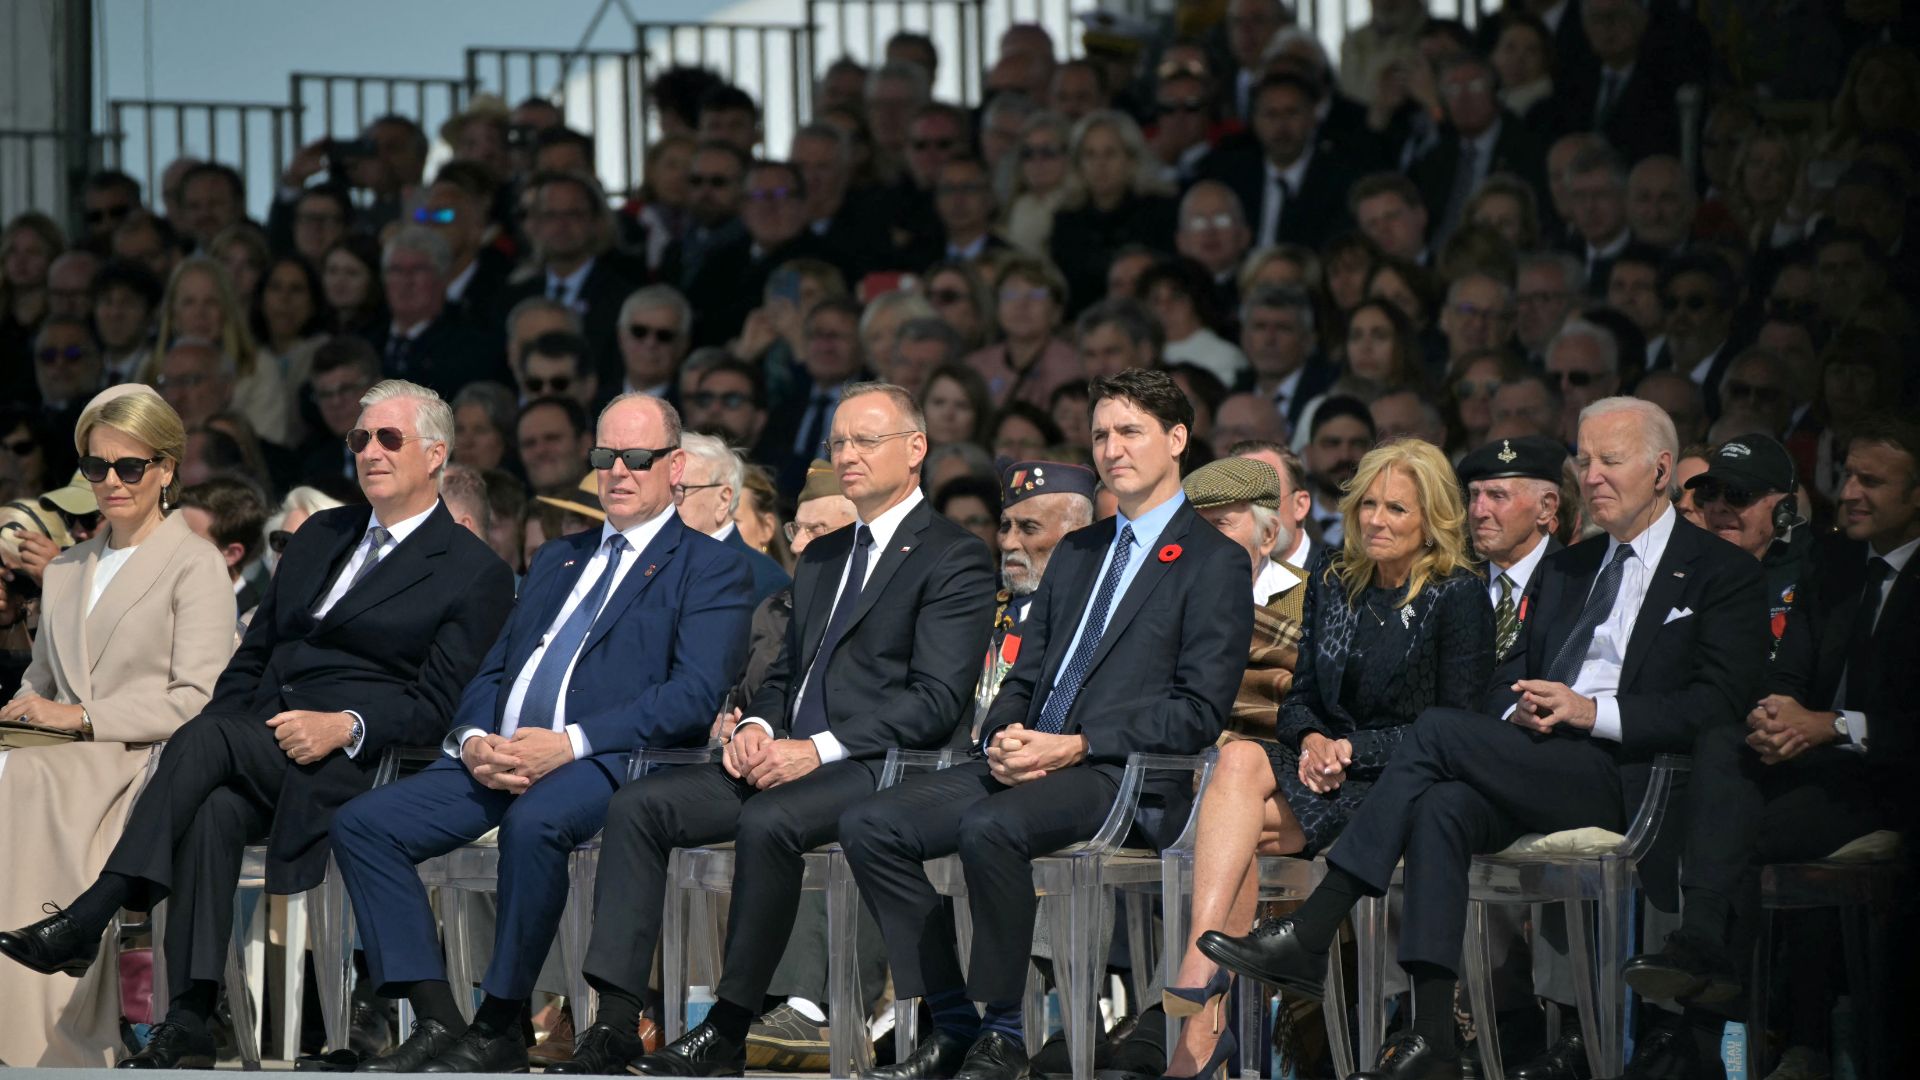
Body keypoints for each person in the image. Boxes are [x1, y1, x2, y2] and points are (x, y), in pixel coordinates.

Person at [1198, 397, 1767, 1080]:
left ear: (1662, 470)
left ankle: (1316, 926)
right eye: (1584, 461)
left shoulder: (1720, 570)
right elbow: (1503, 680)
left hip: (1630, 773)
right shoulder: (1569, 566)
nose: (1592, 477)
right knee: (1440, 807)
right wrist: (1517, 713)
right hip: (1540, 759)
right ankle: (1435, 1034)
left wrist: (1592, 713)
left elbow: (1718, 704)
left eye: (1610, 461)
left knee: (1436, 732)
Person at [0, 380, 516, 1068]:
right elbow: (253, 658)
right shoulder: (321, 537)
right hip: (263, 742)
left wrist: (347, 723)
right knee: (211, 805)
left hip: (357, 760)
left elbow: (443, 701)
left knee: (208, 738)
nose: (370, 451)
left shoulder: (471, 568)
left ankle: (94, 912)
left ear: (435, 454)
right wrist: (239, 728)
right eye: (359, 439)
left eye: (389, 438)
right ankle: (187, 1018)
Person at [567, 382, 995, 1076]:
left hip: (877, 762)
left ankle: (729, 1025)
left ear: (915, 450)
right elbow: (786, 668)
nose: (847, 455)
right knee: (641, 806)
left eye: (866, 441)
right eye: (838, 443)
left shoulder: (953, 555)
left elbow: (937, 702)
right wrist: (761, 725)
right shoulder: (824, 557)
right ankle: (617, 1018)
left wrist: (815, 748)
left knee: (769, 821)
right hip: (786, 756)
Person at [842, 369, 1251, 1080]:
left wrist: (1079, 743)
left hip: (1119, 774)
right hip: (1032, 759)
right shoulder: (1080, 551)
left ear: (1177, 439)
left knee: (990, 829)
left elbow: (1197, 710)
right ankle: (954, 1016)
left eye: (1130, 432)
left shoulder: (1213, 561)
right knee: (870, 826)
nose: (1112, 448)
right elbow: (1024, 677)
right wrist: (1003, 731)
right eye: (1100, 434)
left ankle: (1004, 1031)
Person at [330, 395, 754, 1073]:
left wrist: (570, 742)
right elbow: (497, 666)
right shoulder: (560, 556)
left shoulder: (708, 565)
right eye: (603, 457)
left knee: (534, 825)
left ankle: (501, 1018)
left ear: (675, 467)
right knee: (361, 825)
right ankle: (440, 1018)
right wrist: (472, 739)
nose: (617, 471)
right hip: (500, 757)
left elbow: (692, 695)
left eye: (636, 458)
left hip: (609, 758)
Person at [1160, 443, 1493, 1078]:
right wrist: (1313, 741)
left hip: (1404, 786)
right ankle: (1202, 968)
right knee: (1237, 766)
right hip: (1325, 772)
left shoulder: (1459, 596)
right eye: (1367, 504)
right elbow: (1303, 696)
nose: (1376, 520)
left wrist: (1350, 749)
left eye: (1396, 508)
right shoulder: (1337, 582)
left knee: (1234, 840)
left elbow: (1459, 729)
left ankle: (1202, 1036)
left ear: (1432, 518)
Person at [1619, 416, 1920, 1079]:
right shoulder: (1835, 563)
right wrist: (1775, 716)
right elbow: (1788, 677)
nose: (1850, 492)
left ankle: (1710, 1040)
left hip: (1890, 781)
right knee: (1725, 744)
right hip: (1814, 768)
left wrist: (1835, 725)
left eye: (1872, 481)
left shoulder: (1817, 561)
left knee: (1732, 832)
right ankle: (1705, 957)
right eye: (1846, 475)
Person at [0, 387, 235, 1067]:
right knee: (19, 767)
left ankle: (52, 1031)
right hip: (64, 751)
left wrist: (79, 718)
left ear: (165, 468)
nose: (110, 482)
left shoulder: (195, 564)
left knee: (27, 777)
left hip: (147, 760)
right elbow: (38, 682)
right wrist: (23, 712)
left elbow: (198, 699)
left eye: (129, 467)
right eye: (95, 467)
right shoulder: (69, 568)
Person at [975, 459, 1099, 731]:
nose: (1008, 542)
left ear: (1076, 534)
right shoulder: (975, 596)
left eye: (1029, 528)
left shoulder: (1097, 610)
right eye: (1005, 526)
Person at [1459, 435, 1567, 661]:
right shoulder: (1456, 580)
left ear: (1546, 507)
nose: (1479, 512)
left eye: (1498, 496)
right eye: (1474, 495)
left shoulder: (1576, 582)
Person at [676, 431, 791, 605]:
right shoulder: (643, 561)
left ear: (723, 499)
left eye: (678, 490)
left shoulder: (765, 581)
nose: (663, 503)